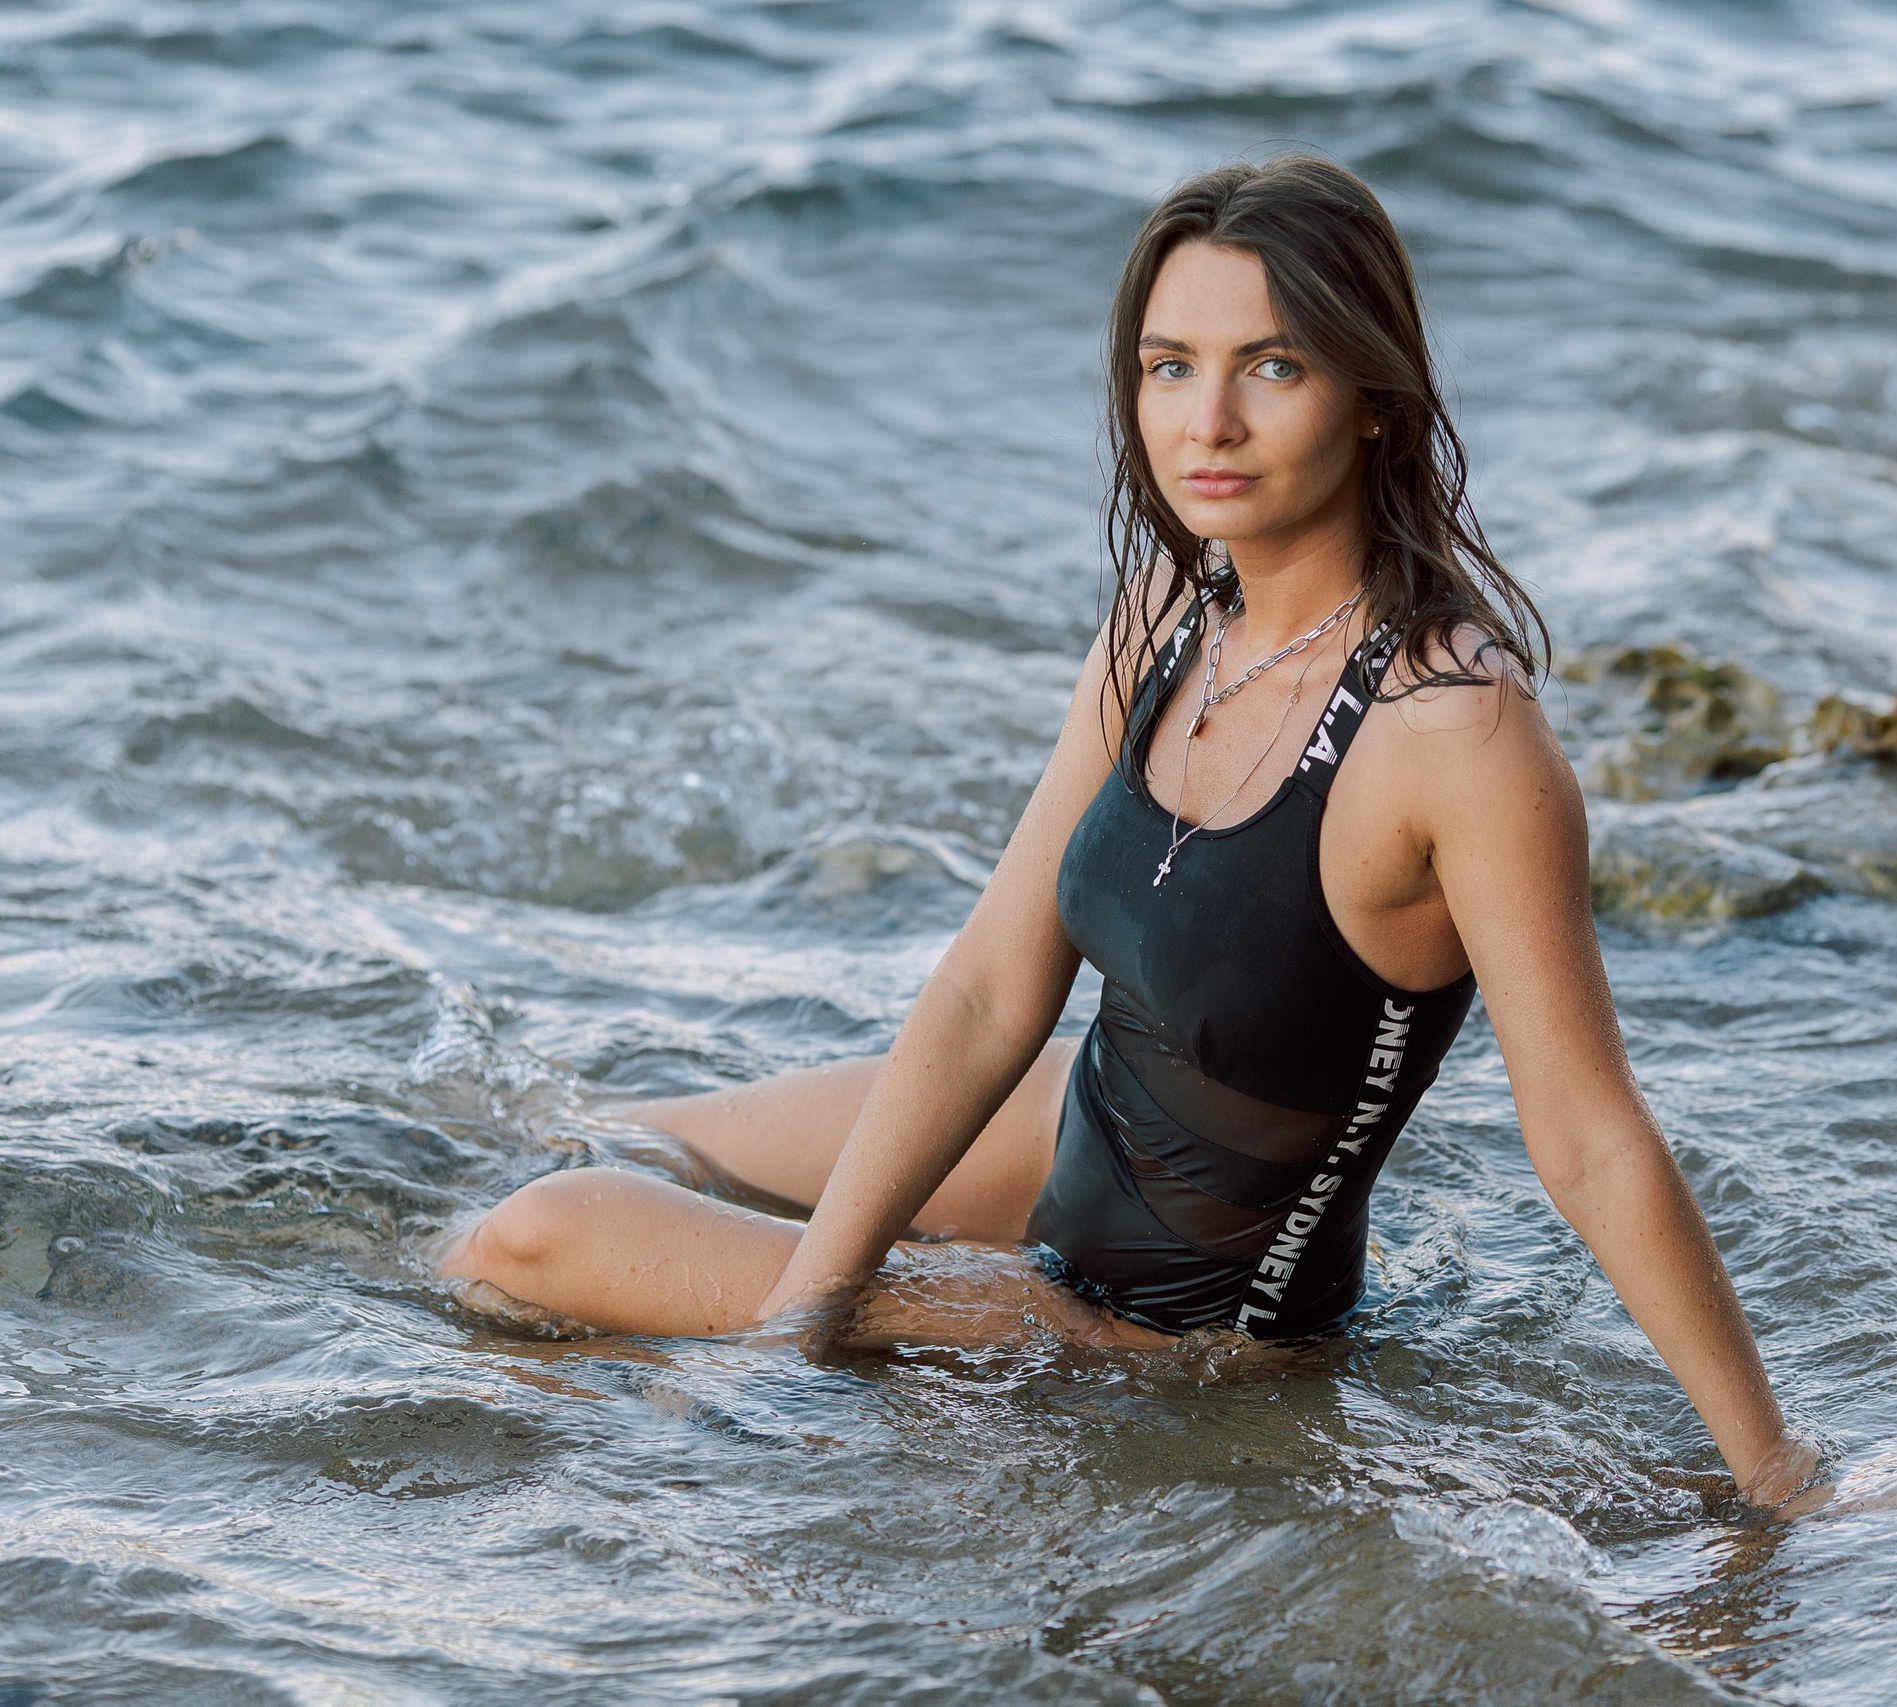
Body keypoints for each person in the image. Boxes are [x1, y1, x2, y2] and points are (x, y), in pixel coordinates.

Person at [442, 155, 1822, 1509]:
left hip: (1162, 1325)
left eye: (1271, 367)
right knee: (589, 1132)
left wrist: (1775, 1476)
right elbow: (992, 987)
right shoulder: (1168, 624)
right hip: (1074, 1125)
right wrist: (814, 1308)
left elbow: (1590, 1141)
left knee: (529, 1239)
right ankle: (736, 1342)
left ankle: (717, 1370)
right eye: (1170, 366)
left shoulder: (1455, 736)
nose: (1205, 422)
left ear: (1376, 402)